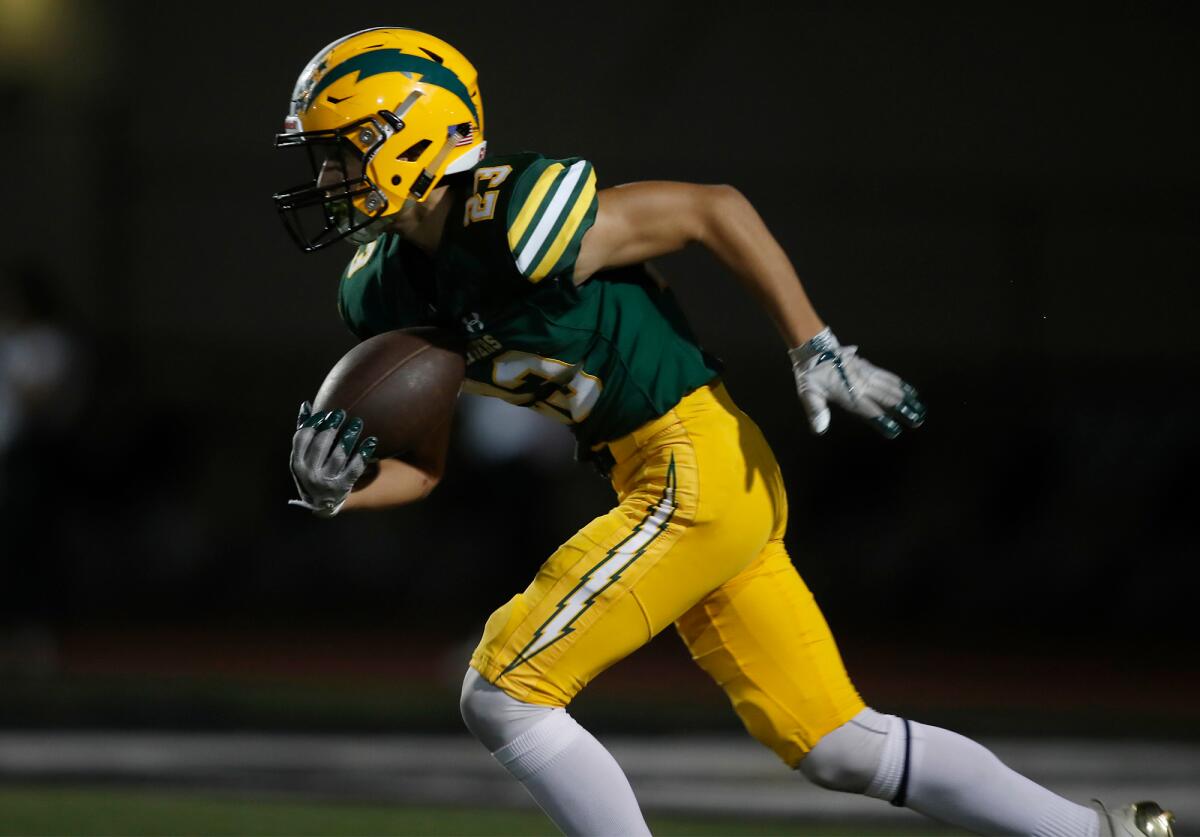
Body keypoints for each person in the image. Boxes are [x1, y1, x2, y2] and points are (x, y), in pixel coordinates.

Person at [276, 27, 1174, 837]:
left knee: (503, 692)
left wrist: (812, 344)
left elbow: (714, 208)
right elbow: (422, 470)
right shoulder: (383, 288)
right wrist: (337, 489)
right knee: (838, 746)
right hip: (686, 483)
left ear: (415, 134)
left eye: (340, 153)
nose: (325, 180)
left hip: (692, 465)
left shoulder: (512, 214)